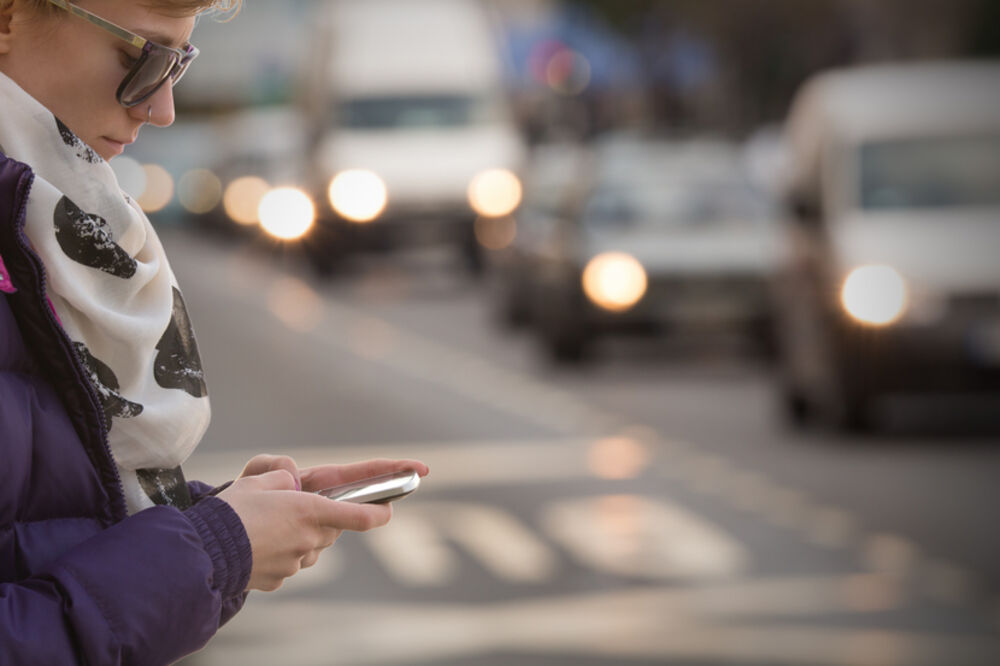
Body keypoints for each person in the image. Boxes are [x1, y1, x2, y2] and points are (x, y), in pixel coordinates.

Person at [0, 0, 428, 663]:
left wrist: (221, 520)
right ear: (8, 18)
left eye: (180, 62)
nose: (162, 107)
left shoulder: (41, 226)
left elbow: (32, 526)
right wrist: (216, 548)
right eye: (144, 57)